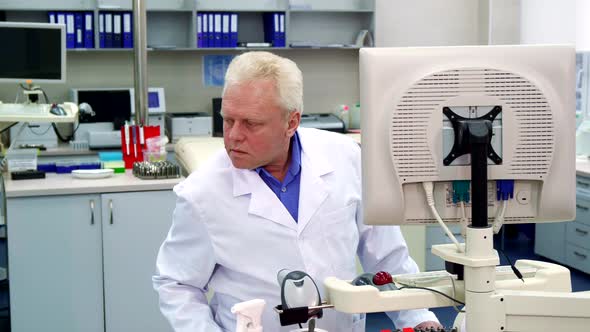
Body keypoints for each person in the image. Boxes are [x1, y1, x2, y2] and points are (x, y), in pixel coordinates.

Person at [153, 51, 443, 332]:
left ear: (291, 122)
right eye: (228, 120)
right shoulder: (202, 193)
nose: (233, 135)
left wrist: (418, 319)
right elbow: (178, 285)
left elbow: (386, 256)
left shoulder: (345, 157)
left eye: (251, 123)